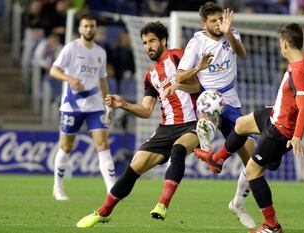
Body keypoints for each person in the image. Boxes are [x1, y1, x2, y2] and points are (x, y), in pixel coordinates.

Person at [198, 23, 304, 233]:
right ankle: (217, 160)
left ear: (284, 44)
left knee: (253, 172)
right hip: (276, 114)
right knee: (241, 124)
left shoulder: (300, 70)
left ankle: (272, 226)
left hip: (283, 129)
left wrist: (298, 136)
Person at [76, 21, 201, 228]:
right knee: (134, 167)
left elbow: (197, 85)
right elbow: (146, 110)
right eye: (144, 42)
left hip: (193, 123)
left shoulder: (178, 55)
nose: (148, 46)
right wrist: (123, 104)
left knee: (178, 150)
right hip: (166, 127)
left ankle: (162, 204)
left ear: (162, 41)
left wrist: (177, 84)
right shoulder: (150, 76)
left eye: (152, 40)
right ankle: (104, 212)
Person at [168, 1, 256, 229]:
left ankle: (238, 202)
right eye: (214, 21)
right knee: (208, 117)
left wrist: (229, 34)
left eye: (220, 19)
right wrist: (198, 67)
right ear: (204, 23)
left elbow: (243, 54)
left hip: (231, 100)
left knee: (253, 158)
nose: (218, 24)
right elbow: (179, 77)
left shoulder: (231, 34)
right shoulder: (196, 42)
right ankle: (207, 151)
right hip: (209, 98)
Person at [50, 14, 115, 201]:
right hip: (72, 106)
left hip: (95, 106)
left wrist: (108, 105)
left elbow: (103, 80)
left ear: (95, 28)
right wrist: (69, 79)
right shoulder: (71, 48)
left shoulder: (100, 52)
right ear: (80, 29)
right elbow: (54, 70)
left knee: (103, 144)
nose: (89, 29)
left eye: (92, 26)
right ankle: (57, 187)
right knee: (66, 146)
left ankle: (112, 190)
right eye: (85, 26)